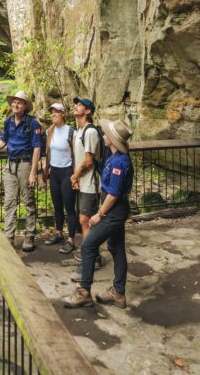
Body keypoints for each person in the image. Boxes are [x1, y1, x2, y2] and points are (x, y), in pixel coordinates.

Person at [63, 118, 134, 309]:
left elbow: (114, 194)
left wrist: (99, 214)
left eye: (106, 135)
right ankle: (118, 293)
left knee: (88, 245)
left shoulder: (120, 161)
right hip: (114, 210)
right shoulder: (112, 157)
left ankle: (84, 291)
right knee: (116, 248)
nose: (103, 136)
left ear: (112, 139)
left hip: (114, 212)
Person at [0, 90, 43, 252]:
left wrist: (33, 172)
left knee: (28, 201)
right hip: (10, 165)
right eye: (14, 102)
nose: (15, 104)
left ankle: (29, 236)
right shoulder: (9, 121)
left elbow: (37, 148)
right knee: (9, 201)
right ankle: (9, 236)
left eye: (19, 102)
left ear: (25, 106)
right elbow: (3, 141)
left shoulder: (33, 123)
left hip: (25, 165)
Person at [69, 97, 103, 277]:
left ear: (88, 111)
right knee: (84, 220)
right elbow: (79, 158)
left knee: (85, 220)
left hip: (91, 184)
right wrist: (75, 178)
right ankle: (90, 253)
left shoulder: (90, 132)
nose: (76, 106)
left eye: (80, 105)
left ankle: (92, 257)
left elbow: (89, 161)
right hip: (82, 182)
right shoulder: (79, 131)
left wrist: (75, 176)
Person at [43, 103, 78, 253]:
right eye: (52, 112)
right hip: (54, 172)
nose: (54, 114)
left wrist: (75, 176)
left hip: (67, 172)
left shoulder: (71, 132)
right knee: (57, 206)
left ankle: (71, 240)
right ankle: (58, 233)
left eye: (57, 112)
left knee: (69, 207)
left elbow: (76, 154)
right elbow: (47, 152)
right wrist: (45, 171)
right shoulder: (49, 131)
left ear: (63, 114)